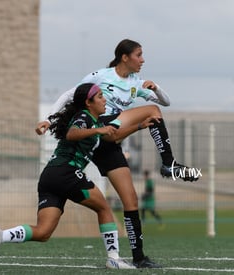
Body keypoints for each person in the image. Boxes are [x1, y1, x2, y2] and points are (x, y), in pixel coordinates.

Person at [35, 39, 199, 268]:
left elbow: (166, 102)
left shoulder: (137, 83)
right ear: (125, 57)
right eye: (139, 55)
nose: (143, 60)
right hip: (97, 128)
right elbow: (69, 95)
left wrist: (156, 88)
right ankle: (169, 164)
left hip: (109, 141)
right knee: (151, 111)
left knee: (130, 199)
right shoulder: (102, 75)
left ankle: (139, 257)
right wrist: (48, 119)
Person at [0, 83, 154, 269]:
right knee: (104, 208)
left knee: (43, 232)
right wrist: (98, 130)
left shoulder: (95, 121)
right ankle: (114, 258)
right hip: (67, 172)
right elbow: (72, 134)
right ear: (88, 103)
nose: (105, 100)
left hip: (50, 176)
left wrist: (138, 126)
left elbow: (112, 137)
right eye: (100, 97)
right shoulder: (83, 117)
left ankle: (1, 235)